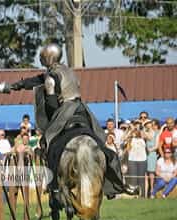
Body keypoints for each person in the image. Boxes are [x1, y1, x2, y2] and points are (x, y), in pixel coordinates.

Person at [10, 43, 138, 198]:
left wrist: (49, 117)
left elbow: (51, 104)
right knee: (99, 141)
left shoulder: (51, 77)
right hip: (82, 108)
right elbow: (38, 79)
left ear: (48, 58)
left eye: (42, 57)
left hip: (65, 110)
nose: (41, 59)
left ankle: (54, 186)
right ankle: (120, 184)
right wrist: (19, 85)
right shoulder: (66, 70)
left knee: (48, 141)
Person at [127, 129, 147, 197]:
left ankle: (143, 195)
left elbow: (148, 136)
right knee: (133, 178)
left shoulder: (143, 139)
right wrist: (130, 137)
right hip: (132, 160)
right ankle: (134, 195)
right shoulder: (131, 139)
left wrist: (141, 130)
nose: (135, 133)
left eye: (136, 132)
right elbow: (128, 149)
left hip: (142, 160)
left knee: (141, 179)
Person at [143, 120, 159, 197]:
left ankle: (152, 192)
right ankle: (146, 194)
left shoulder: (156, 133)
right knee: (146, 175)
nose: (147, 125)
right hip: (145, 155)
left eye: (148, 123)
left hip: (152, 154)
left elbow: (156, 145)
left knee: (152, 175)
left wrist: (151, 149)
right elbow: (146, 137)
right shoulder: (145, 132)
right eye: (146, 124)